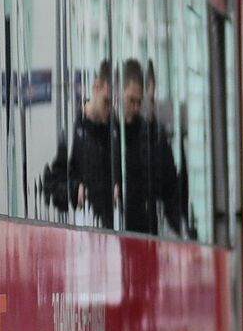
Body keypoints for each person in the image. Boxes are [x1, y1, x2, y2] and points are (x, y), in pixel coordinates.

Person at [39, 61, 120, 227]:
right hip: (80, 227)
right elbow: (51, 184)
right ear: (96, 87)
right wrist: (75, 190)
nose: (109, 111)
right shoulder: (72, 128)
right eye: (106, 102)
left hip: (112, 228)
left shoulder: (115, 128)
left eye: (112, 104)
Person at [119, 58, 184, 237]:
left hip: (148, 232)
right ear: (121, 93)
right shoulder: (113, 133)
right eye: (131, 100)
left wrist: (176, 229)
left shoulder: (154, 136)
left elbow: (170, 186)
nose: (136, 107)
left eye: (139, 102)